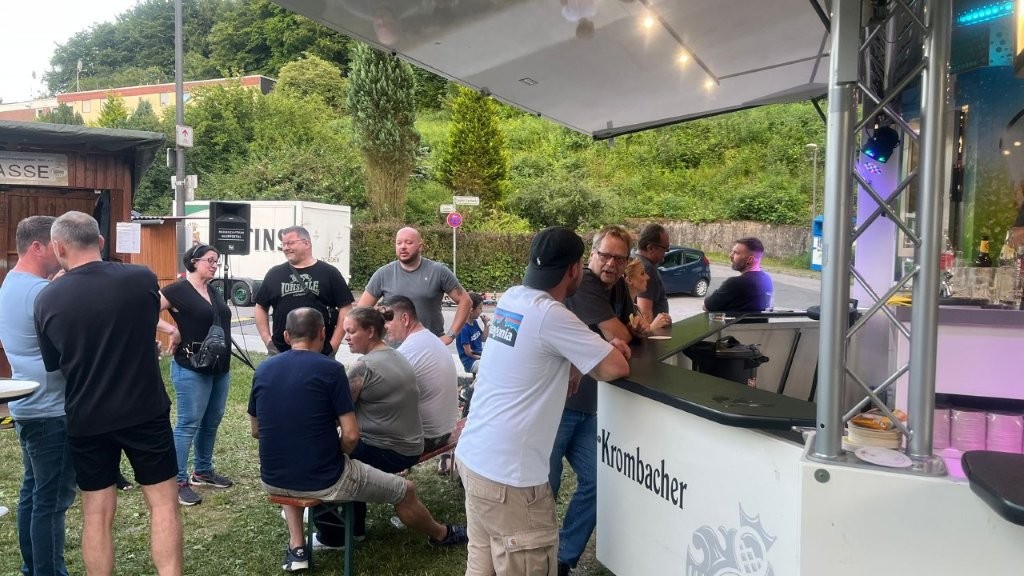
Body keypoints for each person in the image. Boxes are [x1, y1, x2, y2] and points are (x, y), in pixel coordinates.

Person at [455, 226, 631, 576]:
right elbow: (616, 367)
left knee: (482, 564)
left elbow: (533, 355)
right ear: (575, 269)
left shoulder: (512, 299)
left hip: (474, 460)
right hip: (511, 483)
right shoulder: (552, 315)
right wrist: (605, 349)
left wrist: (576, 364)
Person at [248, 307, 466, 572]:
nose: (348, 337)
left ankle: (298, 547)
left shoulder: (263, 369)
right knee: (404, 489)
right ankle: (442, 534)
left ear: (285, 335)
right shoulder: (332, 370)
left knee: (293, 454)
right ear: (323, 334)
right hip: (326, 478)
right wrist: (336, 451)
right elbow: (351, 435)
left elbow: (256, 430)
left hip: (273, 478)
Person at [34, 211, 182, 576]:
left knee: (96, 513)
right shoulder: (141, 277)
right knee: (163, 504)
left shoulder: (47, 299)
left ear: (59, 247)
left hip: (87, 415)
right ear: (100, 241)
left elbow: (54, 364)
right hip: (144, 410)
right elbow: (146, 321)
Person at [554, 224, 645, 576]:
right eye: (604, 255)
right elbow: (623, 332)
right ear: (591, 255)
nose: (610, 263)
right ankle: (535, 560)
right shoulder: (585, 286)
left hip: (589, 407)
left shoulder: (618, 285)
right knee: (545, 490)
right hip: (560, 405)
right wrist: (625, 333)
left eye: (619, 258)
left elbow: (633, 327)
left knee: (599, 481)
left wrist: (629, 332)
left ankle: (562, 559)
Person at [0, 215, 77, 576]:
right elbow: (71, 350)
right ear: (37, 247)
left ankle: (32, 568)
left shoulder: (11, 284)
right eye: (55, 245)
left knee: (33, 494)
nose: (61, 253)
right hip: (51, 411)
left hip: (28, 407)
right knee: (51, 502)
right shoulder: (41, 293)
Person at [329, 306, 424, 544]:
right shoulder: (397, 355)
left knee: (335, 457)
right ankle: (354, 525)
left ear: (371, 331)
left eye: (351, 332)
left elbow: (337, 414)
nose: (346, 338)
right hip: (412, 446)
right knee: (352, 448)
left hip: (391, 451)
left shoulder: (363, 367)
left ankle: (347, 530)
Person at [158, 243, 234, 506]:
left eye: (216, 261)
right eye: (210, 260)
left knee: (211, 421)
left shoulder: (212, 290)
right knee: (188, 423)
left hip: (219, 368)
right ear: (193, 261)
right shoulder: (177, 290)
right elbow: (143, 310)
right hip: (191, 368)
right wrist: (171, 329)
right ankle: (178, 481)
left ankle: (202, 471)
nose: (215, 265)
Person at [357, 226, 472, 344]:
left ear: (420, 247)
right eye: (399, 243)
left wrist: (450, 336)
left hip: (428, 346)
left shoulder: (438, 271)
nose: (403, 247)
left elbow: (465, 301)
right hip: (394, 348)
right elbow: (361, 311)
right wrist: (377, 338)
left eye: (408, 242)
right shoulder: (383, 274)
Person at [255, 225, 355, 356]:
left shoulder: (329, 273)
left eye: (290, 243)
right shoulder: (274, 274)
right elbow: (260, 307)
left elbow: (346, 308)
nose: (285, 248)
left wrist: (333, 345)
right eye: (283, 244)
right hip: (280, 352)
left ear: (306, 244)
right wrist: (268, 341)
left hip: (321, 353)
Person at [382, 295, 459, 451]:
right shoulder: (430, 339)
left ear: (405, 319)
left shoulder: (408, 351)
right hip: (445, 430)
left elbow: (380, 394)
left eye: (387, 321)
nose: (384, 327)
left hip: (427, 438)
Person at [703, 237, 774, 313]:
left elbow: (707, 307)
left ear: (750, 260)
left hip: (736, 321)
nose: (730, 256)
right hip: (758, 321)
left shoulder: (735, 283)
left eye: (736, 253)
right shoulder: (767, 279)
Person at [634, 223, 672, 330]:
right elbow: (645, 312)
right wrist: (652, 329)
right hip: (655, 335)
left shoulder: (635, 259)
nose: (666, 253)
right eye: (665, 249)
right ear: (650, 248)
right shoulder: (646, 269)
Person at [624, 258, 664, 334]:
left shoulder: (636, 308)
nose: (647, 277)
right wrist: (653, 326)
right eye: (642, 273)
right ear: (629, 280)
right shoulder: (622, 311)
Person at [456, 292, 489, 374]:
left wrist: (486, 325)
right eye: (480, 308)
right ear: (471, 310)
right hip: (470, 362)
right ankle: (475, 383)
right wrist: (483, 358)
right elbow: (468, 352)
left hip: (479, 356)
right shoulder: (463, 328)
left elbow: (483, 339)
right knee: (489, 368)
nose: (482, 311)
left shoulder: (474, 323)